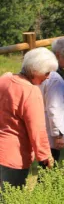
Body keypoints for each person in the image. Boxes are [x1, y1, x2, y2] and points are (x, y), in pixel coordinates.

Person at [0, 48, 57, 190]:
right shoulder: (31, 92)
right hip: (13, 156)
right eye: (46, 73)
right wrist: (45, 156)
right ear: (34, 70)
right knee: (11, 200)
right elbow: (37, 129)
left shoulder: (5, 79)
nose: (48, 77)